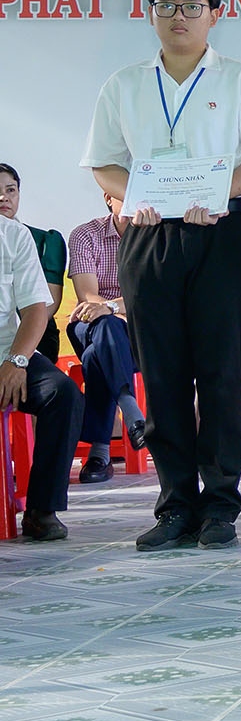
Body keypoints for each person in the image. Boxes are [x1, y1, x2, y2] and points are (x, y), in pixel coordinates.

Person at [81, 0, 241, 551]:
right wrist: (133, 196)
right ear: (151, 14)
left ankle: (219, 506)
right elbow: (103, 162)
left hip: (221, 234)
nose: (178, 17)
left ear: (215, 14)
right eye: (166, 6)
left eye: (192, 6)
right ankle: (174, 507)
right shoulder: (124, 84)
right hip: (149, 236)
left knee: (221, 373)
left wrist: (216, 195)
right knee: (162, 375)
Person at [0, 214, 83, 541]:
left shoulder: (13, 235)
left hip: (7, 353)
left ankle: (41, 510)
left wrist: (16, 362)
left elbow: (35, 310)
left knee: (62, 394)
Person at [65, 193, 145, 482]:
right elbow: (88, 296)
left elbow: (154, 296)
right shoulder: (85, 235)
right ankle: (131, 410)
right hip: (89, 324)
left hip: (139, 332)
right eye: (125, 194)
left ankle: (100, 452)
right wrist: (113, 312)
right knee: (105, 327)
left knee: (95, 356)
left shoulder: (157, 235)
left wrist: (113, 309)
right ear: (108, 197)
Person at [0, 165, 64, 362]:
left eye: (10, 190)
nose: (3, 197)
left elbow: (49, 305)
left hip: (37, 327)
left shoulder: (46, 240)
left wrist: (24, 328)